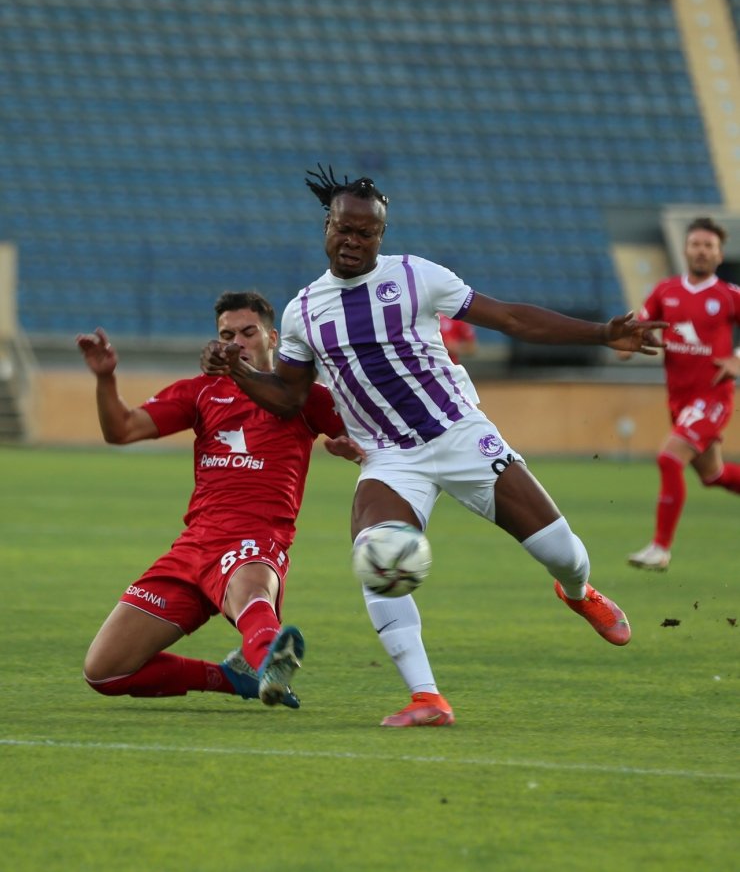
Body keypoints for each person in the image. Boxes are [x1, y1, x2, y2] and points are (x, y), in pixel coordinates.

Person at [200, 166, 666, 728]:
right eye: (343, 229)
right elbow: (289, 397)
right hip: (390, 459)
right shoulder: (304, 311)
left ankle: (578, 592)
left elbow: (511, 317)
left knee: (561, 551)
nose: (352, 241)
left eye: (365, 233)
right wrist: (239, 371)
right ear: (327, 227)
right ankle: (428, 698)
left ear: (381, 236)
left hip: (460, 434)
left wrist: (600, 333)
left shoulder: (418, 278)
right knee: (376, 560)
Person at [78, 290, 363, 709]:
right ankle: (234, 677)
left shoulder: (305, 398)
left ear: (272, 337)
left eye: (248, 332)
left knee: (251, 594)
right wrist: (105, 379)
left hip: (255, 539)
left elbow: (372, 447)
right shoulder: (202, 392)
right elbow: (122, 429)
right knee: (104, 670)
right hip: (193, 547)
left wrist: (353, 451)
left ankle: (271, 660)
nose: (238, 342)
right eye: (227, 334)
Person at [625, 216, 740, 571]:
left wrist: (738, 359)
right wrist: (627, 341)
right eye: (696, 244)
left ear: (720, 255)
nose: (702, 251)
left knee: (669, 457)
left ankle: (661, 548)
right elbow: (637, 328)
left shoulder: (729, 296)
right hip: (680, 401)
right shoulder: (665, 291)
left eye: (709, 246)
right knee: (713, 476)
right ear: (685, 249)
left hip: (713, 398)